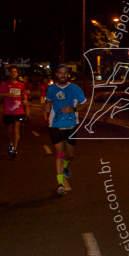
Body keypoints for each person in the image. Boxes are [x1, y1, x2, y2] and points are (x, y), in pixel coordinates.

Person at [44, 64, 86, 195]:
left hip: (71, 125)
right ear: (56, 74)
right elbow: (48, 102)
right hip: (55, 125)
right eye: (60, 72)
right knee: (59, 153)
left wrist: (72, 109)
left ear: (68, 74)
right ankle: (60, 184)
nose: (62, 75)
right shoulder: (51, 89)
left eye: (65, 73)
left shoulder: (75, 89)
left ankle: (66, 166)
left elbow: (85, 104)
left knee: (70, 155)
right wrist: (46, 107)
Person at [0, 65, 29, 157]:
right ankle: (11, 145)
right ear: (9, 73)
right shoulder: (4, 84)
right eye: (12, 72)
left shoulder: (21, 84)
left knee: (16, 130)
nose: (13, 73)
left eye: (15, 72)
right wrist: (7, 94)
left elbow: (24, 94)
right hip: (8, 111)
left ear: (17, 73)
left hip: (18, 111)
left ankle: (14, 149)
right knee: (10, 132)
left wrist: (25, 100)